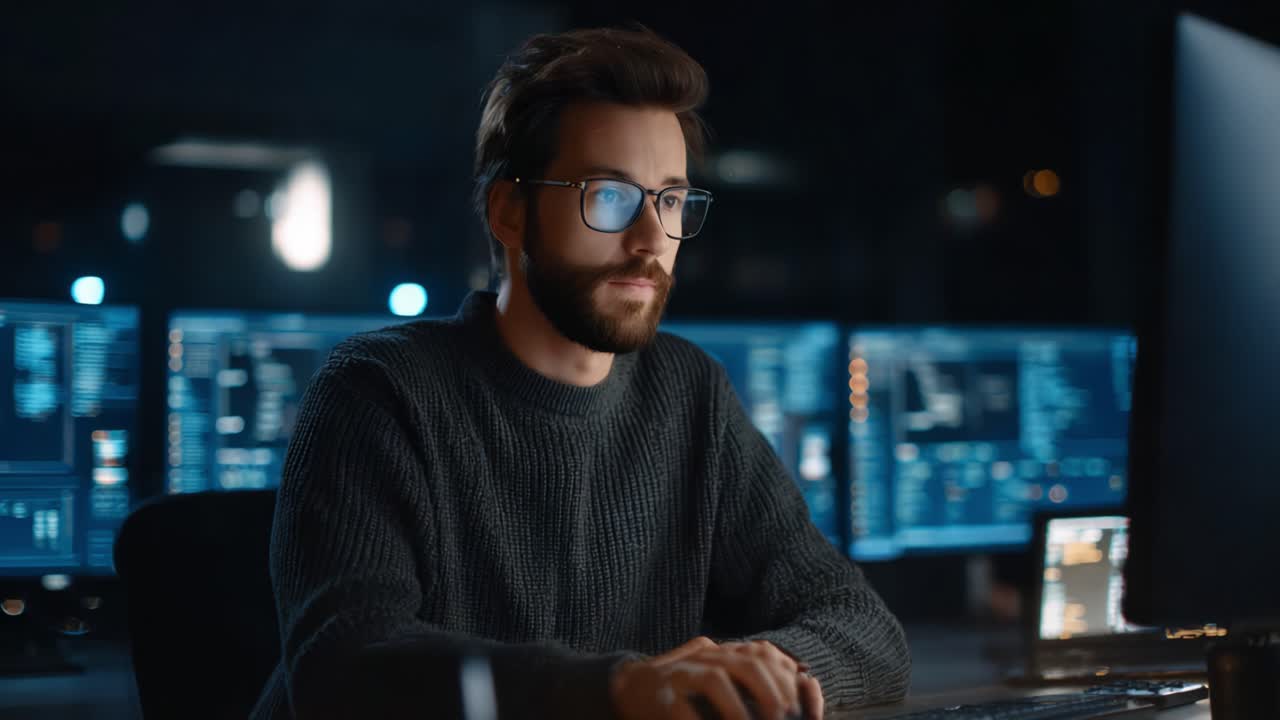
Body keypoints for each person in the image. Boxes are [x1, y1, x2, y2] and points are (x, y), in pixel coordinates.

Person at [251, 25, 910, 720]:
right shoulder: (376, 392)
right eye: (610, 196)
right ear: (510, 211)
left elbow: (864, 628)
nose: (651, 239)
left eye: (671, 200)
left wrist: (746, 676)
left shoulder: (693, 395)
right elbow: (344, 669)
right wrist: (621, 690)